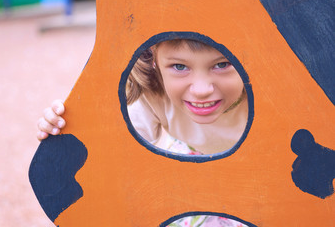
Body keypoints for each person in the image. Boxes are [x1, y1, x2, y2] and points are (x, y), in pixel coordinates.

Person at [37, 38, 249, 227]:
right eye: (179, 66)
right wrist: (63, 124)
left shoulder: (266, 92)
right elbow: (108, 150)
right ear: (155, 60)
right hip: (193, 157)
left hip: (254, 168)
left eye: (222, 64)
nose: (201, 89)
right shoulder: (153, 93)